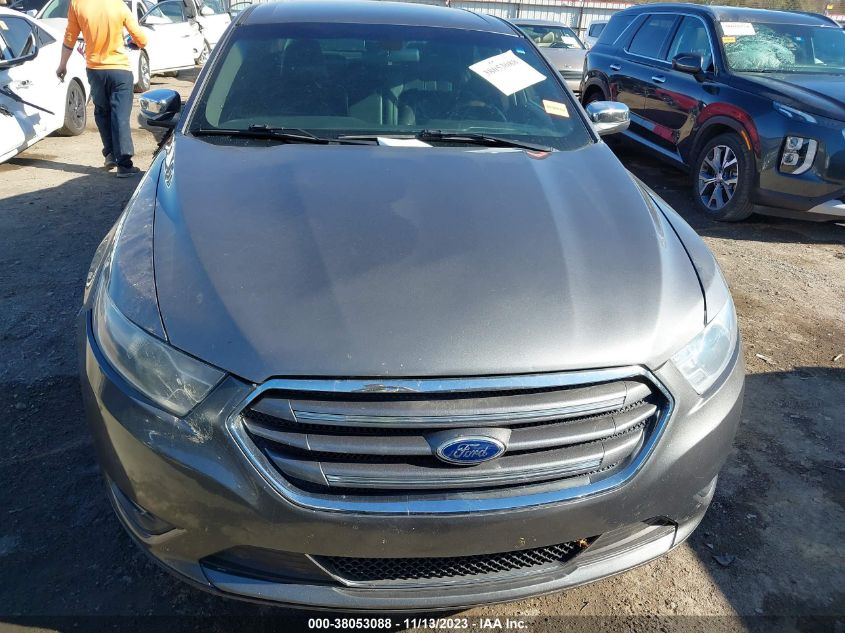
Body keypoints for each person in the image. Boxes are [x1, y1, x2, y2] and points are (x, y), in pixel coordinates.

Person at [56, 0, 148, 177]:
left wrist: (62, 65)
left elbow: (70, 37)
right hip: (120, 70)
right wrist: (134, 43)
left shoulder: (77, 4)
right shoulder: (118, 4)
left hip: (95, 71)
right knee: (120, 116)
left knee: (102, 112)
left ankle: (110, 154)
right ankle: (124, 165)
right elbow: (142, 39)